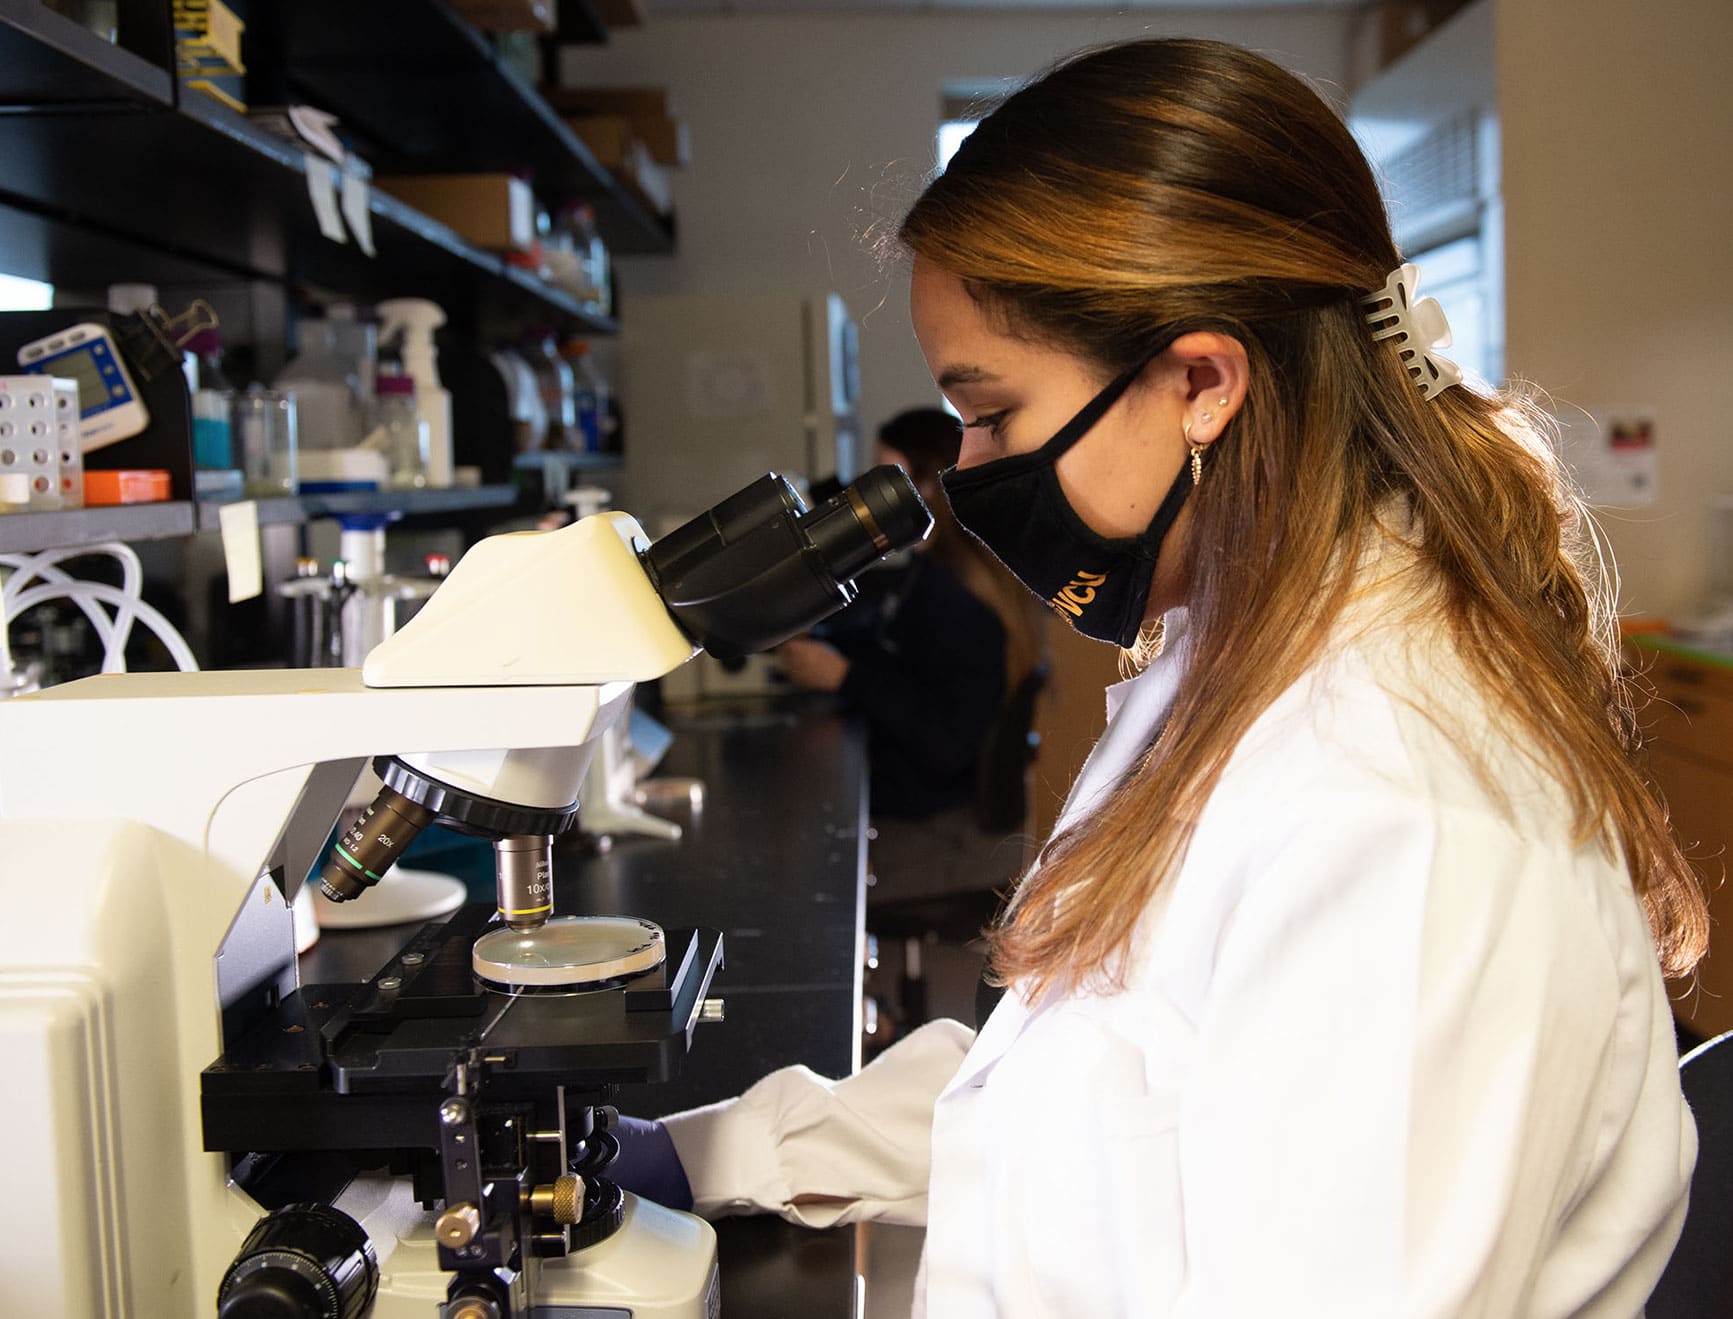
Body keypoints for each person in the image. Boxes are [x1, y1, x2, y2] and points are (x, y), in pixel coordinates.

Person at [617, 39, 1707, 1317]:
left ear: (1199, 382)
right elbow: (1075, 1096)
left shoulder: (1404, 810)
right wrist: (714, 1151)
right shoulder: (1230, 660)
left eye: (994, 414)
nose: (966, 471)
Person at [779, 410, 1046, 909]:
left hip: (951, 836)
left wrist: (844, 676)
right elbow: (905, 661)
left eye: (884, 480)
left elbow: (945, 741)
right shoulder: (937, 574)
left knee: (794, 879)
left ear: (926, 487)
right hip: (937, 813)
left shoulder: (957, 596)